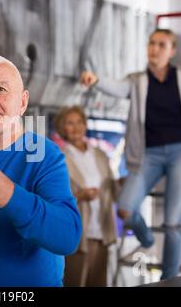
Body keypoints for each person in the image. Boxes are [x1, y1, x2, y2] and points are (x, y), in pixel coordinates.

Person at [80, 29, 181, 280]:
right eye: (151, 43)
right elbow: (117, 88)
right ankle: (147, 238)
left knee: (173, 223)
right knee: (126, 208)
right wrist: (95, 80)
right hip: (148, 154)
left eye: (162, 45)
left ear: (171, 51)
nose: (155, 49)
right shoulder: (137, 80)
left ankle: (169, 279)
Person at [0, 54, 82, 287]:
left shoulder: (45, 155)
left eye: (1, 89)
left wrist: (9, 195)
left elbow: (68, 238)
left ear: (22, 102)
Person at [54, 106, 118, 287]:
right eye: (69, 123)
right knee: (75, 282)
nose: (75, 127)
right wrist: (79, 196)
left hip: (102, 230)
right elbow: (54, 199)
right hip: (78, 232)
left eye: (79, 122)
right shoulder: (59, 157)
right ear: (62, 128)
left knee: (99, 283)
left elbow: (112, 189)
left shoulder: (100, 155)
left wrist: (127, 182)